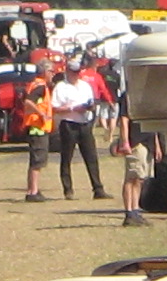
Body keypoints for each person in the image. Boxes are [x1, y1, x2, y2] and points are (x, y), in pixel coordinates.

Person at [50, 59, 109, 200]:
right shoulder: (61, 87)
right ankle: (68, 189)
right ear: (67, 71)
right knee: (66, 158)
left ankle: (98, 189)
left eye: (77, 72)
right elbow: (55, 108)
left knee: (91, 157)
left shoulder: (85, 86)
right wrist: (72, 108)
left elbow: (91, 102)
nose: (76, 75)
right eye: (73, 72)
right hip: (69, 124)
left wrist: (90, 107)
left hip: (85, 123)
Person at [20, 58, 56, 200]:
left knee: (34, 161)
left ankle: (32, 189)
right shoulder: (40, 87)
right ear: (44, 72)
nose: (53, 74)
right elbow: (28, 102)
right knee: (38, 161)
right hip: (38, 127)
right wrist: (42, 114)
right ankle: (33, 191)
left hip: (34, 126)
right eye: (51, 71)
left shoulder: (34, 84)